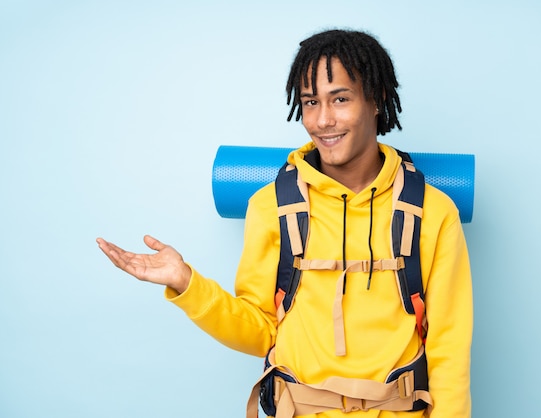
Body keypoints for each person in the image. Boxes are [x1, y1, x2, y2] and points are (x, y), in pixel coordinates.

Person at [97, 29, 473, 418]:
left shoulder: (432, 211)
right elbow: (261, 331)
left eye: (340, 99)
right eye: (310, 103)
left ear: (375, 100)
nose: (324, 120)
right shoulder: (271, 206)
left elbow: (449, 351)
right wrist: (186, 283)